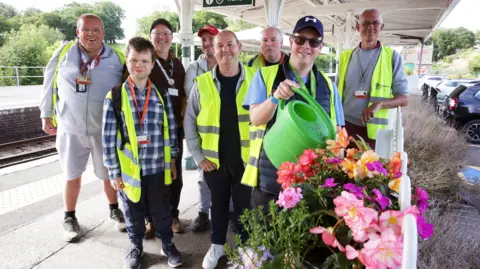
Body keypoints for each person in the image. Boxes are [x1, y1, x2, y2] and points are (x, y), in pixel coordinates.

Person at [242, 16, 345, 213]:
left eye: (313, 42)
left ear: (320, 47)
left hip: (312, 183)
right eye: (300, 39)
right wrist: (274, 97)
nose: (306, 46)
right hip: (270, 177)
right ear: (290, 42)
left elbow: (338, 132)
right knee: (266, 240)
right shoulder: (265, 75)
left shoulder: (330, 87)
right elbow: (255, 119)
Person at [39, 13, 125, 242]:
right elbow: (49, 82)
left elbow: (126, 90)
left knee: (108, 174)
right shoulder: (63, 54)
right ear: (78, 32)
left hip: (103, 129)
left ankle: (114, 209)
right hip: (70, 127)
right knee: (71, 175)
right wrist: (45, 113)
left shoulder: (116, 57)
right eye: (86, 29)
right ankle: (69, 217)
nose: (91, 34)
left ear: (103, 33)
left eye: (96, 30)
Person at [102, 37, 183, 269]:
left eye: (144, 61)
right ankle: (135, 247)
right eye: (134, 60)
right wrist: (114, 172)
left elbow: (171, 129)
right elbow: (108, 139)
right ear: (126, 61)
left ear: (151, 63)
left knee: (162, 211)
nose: (139, 65)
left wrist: (173, 160)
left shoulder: (160, 94)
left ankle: (168, 244)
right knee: (132, 212)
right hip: (130, 172)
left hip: (158, 166)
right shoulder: (115, 97)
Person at [185, 30, 253, 269]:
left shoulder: (256, 79)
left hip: (246, 161)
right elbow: (189, 121)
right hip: (214, 162)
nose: (226, 50)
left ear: (239, 46)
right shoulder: (201, 84)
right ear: (213, 50)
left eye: (230, 44)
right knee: (219, 206)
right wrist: (198, 156)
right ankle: (217, 245)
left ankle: (246, 247)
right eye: (220, 46)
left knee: (245, 208)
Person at [184, 24, 236, 233]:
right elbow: (193, 106)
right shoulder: (194, 70)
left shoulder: (234, 66)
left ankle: (231, 213)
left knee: (232, 179)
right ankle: (203, 212)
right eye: (203, 40)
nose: (206, 43)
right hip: (206, 140)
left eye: (210, 39)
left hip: (230, 139)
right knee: (203, 179)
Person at [337, 9, 408, 149]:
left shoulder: (392, 57)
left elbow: (404, 98)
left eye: (375, 23)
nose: (370, 27)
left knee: (369, 170)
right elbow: (337, 92)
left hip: (375, 133)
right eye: (366, 23)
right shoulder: (345, 57)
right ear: (358, 27)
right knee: (344, 169)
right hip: (345, 127)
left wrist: (379, 104)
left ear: (381, 27)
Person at [146, 18, 187, 235]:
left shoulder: (177, 65)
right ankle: (150, 219)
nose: (162, 37)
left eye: (166, 34)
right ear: (150, 37)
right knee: (151, 177)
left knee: (174, 176)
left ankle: (172, 215)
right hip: (149, 131)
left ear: (172, 38)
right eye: (157, 33)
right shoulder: (144, 61)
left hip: (173, 131)